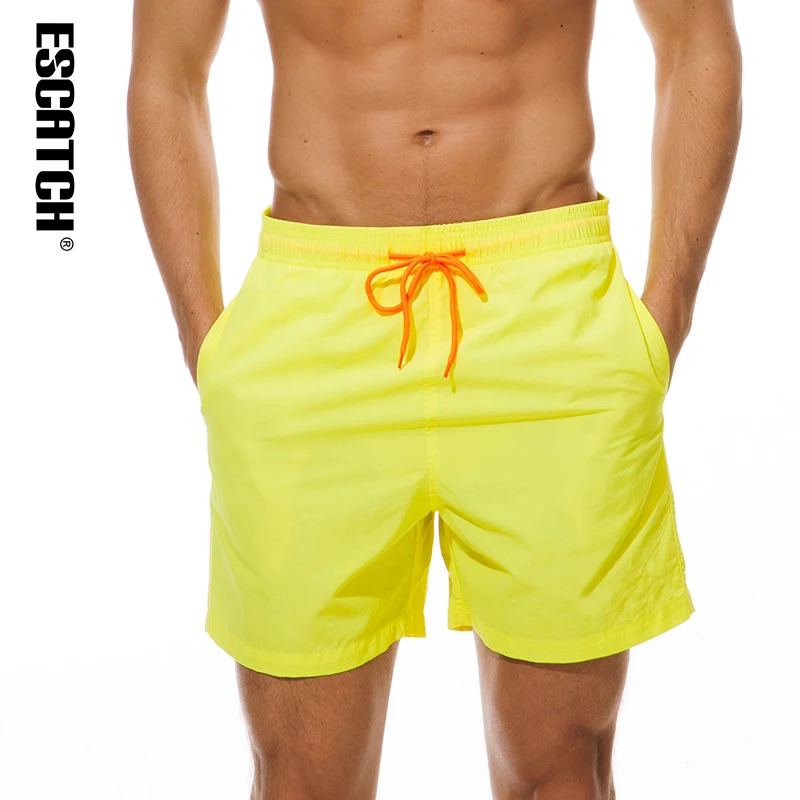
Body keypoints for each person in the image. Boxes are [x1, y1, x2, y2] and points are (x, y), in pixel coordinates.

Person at [127, 0, 742, 797]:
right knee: (301, 779)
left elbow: (695, 40)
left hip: (546, 308)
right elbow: (166, 74)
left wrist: (669, 312)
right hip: (313, 318)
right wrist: (204, 341)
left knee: (561, 770)